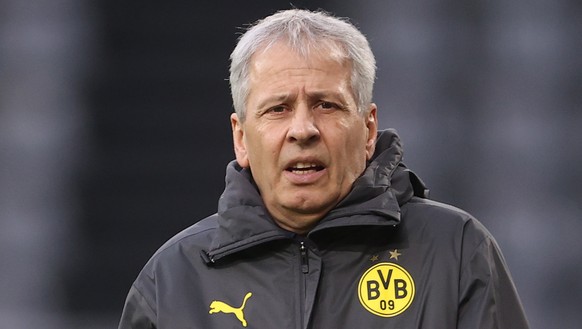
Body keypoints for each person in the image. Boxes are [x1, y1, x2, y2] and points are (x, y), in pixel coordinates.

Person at [118, 9, 529, 329]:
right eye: (278, 109)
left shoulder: (456, 252)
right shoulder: (172, 279)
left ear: (368, 129)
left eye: (325, 105)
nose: (303, 130)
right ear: (241, 137)